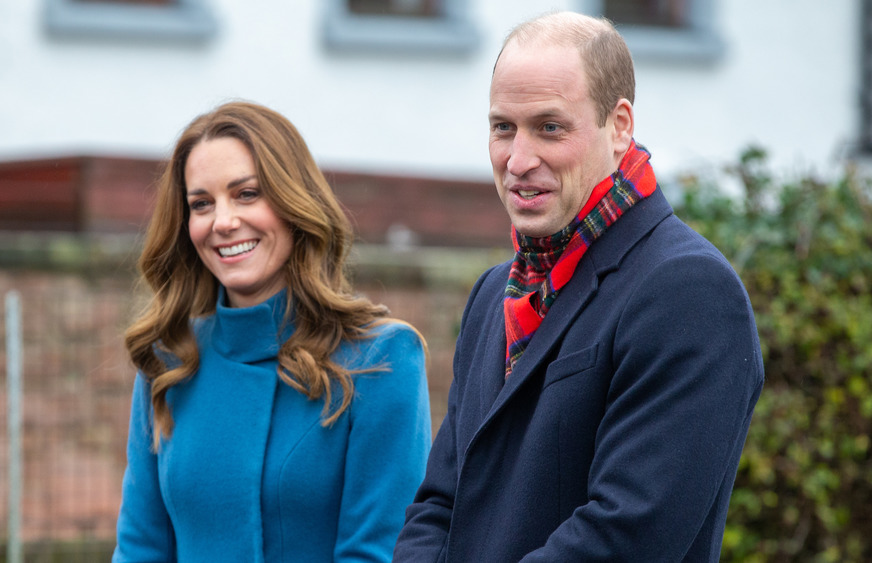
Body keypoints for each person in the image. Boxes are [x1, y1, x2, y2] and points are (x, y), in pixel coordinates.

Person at [393, 11, 764, 562]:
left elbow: (627, 535)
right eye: (503, 127)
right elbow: (439, 507)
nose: (518, 160)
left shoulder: (689, 291)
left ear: (619, 127)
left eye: (549, 127)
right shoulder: (495, 293)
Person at [113, 101, 432, 562]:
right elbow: (139, 549)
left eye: (246, 194)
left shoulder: (382, 358)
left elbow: (376, 552)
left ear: (292, 202)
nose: (222, 222)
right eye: (201, 204)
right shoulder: (170, 363)